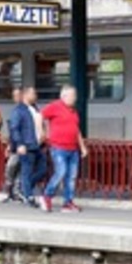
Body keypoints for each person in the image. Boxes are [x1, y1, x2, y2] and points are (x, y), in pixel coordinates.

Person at [39, 84, 88, 213]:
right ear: (64, 96)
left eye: (75, 95)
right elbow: (40, 116)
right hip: (58, 147)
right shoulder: (55, 106)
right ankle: (46, 196)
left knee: (71, 176)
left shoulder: (73, 111)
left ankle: (68, 202)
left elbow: (76, 130)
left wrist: (82, 147)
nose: (75, 98)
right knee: (61, 172)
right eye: (73, 95)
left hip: (73, 148)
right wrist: (42, 132)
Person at [9, 87, 46, 206]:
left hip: (38, 145)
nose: (36, 95)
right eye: (33, 93)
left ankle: (25, 187)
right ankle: (29, 196)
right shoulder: (19, 110)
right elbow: (14, 128)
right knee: (26, 171)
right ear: (25, 95)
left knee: (43, 169)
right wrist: (19, 144)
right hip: (26, 145)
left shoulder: (35, 109)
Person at [2, 86, 24, 202]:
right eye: (14, 95)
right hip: (15, 145)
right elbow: (12, 131)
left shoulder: (26, 110)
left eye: (18, 95)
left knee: (16, 169)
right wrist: (10, 145)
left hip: (23, 145)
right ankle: (10, 192)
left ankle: (15, 192)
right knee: (11, 168)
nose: (16, 97)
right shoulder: (15, 110)